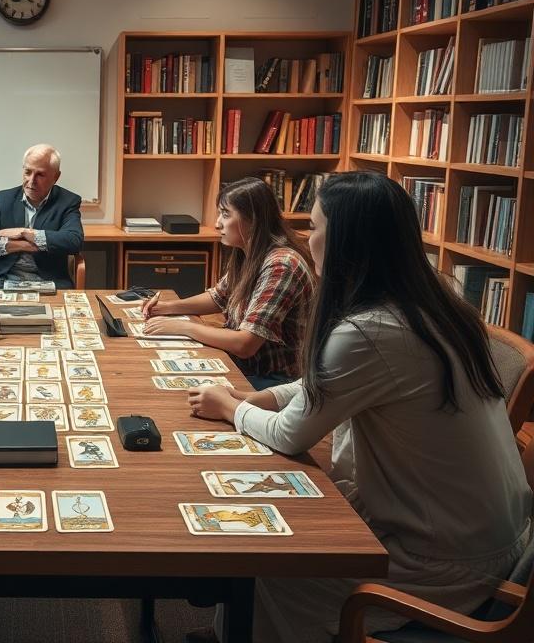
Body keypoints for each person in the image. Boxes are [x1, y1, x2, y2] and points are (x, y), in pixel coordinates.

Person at [186, 171, 532, 643]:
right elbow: (329, 384)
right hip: (487, 537)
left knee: (266, 570)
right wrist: (261, 397)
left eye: (315, 225)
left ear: (347, 241)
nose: (308, 239)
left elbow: (291, 434)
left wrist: (230, 407)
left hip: (446, 565)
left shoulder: (369, 331)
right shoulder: (433, 304)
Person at [142, 177, 313, 390]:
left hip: (273, 381)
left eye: (225, 214)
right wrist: (166, 308)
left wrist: (183, 327)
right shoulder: (248, 252)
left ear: (253, 219)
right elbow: (218, 297)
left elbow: (245, 344)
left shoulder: (281, 265)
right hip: (244, 366)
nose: (217, 223)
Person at [0, 144, 84, 289]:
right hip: (0, 280)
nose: (31, 181)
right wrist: (24, 245)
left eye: (40, 174)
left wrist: (24, 232)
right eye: (28, 172)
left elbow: (74, 241)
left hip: (49, 281)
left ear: (56, 177)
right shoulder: (3, 199)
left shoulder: (68, 202)